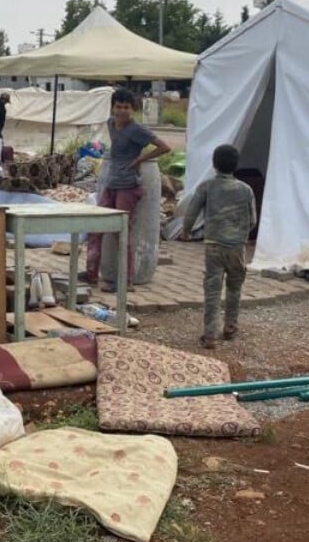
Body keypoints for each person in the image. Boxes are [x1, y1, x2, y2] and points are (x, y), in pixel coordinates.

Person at [84, 89, 171, 293]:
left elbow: (164, 147)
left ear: (133, 110)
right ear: (113, 107)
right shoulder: (111, 123)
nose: (122, 111)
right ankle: (91, 274)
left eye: (126, 108)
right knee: (96, 228)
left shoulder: (137, 130)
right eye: (118, 107)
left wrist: (140, 159)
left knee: (122, 233)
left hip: (128, 186)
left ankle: (127, 280)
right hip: (111, 182)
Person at [178, 144, 256, 349]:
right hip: (237, 247)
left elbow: (191, 213)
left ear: (214, 164)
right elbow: (252, 220)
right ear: (236, 165)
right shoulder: (245, 189)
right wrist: (241, 233)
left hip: (213, 245)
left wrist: (186, 232)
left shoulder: (206, 187)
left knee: (212, 289)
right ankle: (230, 326)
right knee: (234, 287)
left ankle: (210, 334)